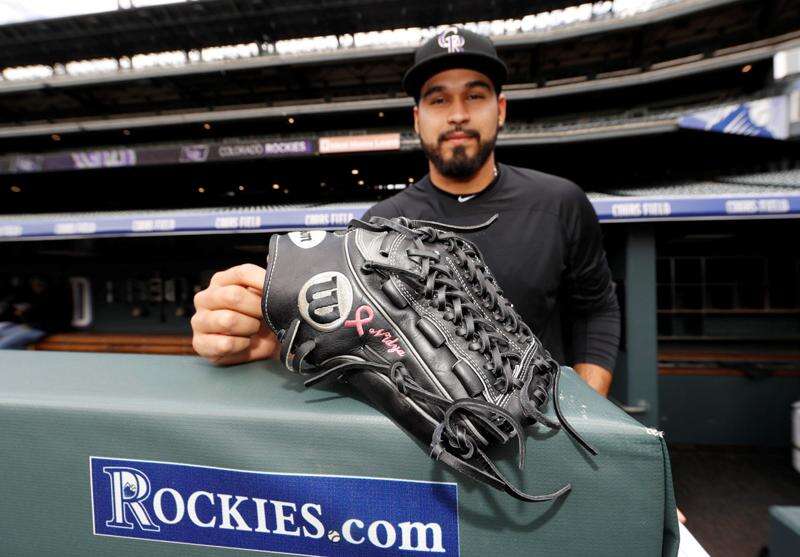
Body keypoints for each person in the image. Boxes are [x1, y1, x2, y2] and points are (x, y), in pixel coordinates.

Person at [191, 27, 620, 397]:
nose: (457, 114)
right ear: (417, 119)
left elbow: (595, 308)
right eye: (438, 100)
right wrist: (272, 336)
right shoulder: (378, 225)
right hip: (432, 438)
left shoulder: (560, 201)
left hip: (545, 420)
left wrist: (585, 406)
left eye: (475, 95)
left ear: (501, 109)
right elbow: (359, 338)